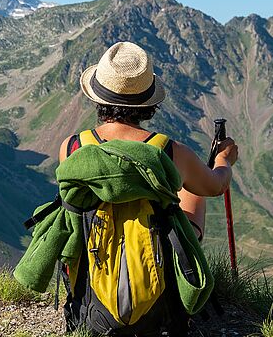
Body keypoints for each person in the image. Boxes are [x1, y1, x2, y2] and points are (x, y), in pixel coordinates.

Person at [58, 41, 238, 240]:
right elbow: (216, 185)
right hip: (154, 265)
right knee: (193, 190)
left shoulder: (72, 146)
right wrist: (224, 160)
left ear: (98, 97)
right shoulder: (171, 152)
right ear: (148, 103)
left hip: (90, 264)